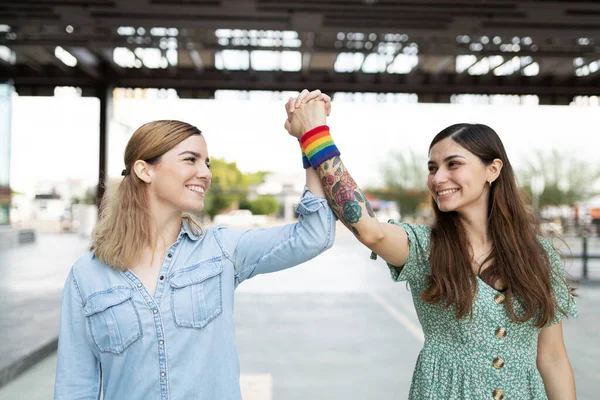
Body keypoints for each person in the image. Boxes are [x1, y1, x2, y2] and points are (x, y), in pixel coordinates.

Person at [284, 91, 577, 400]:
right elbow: (370, 231)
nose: (439, 178)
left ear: (492, 170)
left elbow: (553, 357)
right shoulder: (424, 247)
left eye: (453, 164)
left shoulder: (539, 256)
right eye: (433, 168)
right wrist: (314, 133)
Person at [54, 100, 336, 400]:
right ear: (144, 170)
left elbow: (315, 234)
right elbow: (75, 387)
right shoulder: (86, 276)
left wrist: (311, 136)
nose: (205, 173)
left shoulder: (221, 250)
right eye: (191, 159)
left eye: (207, 163)